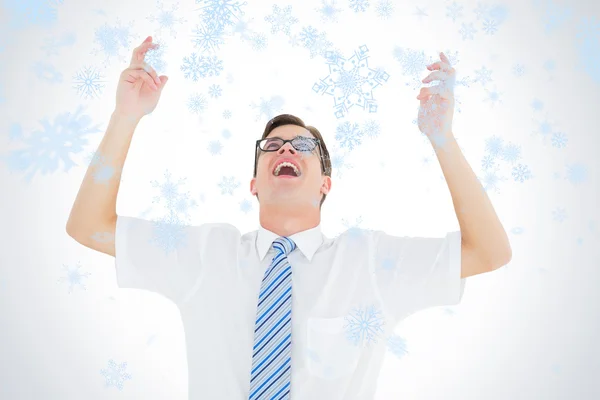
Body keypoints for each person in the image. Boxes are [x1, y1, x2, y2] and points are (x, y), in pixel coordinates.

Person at [66, 36, 512, 400]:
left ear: (325, 184)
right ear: (255, 183)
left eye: (303, 148)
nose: (285, 149)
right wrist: (125, 117)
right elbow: (88, 227)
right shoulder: (205, 254)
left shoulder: (370, 262)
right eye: (272, 146)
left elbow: (488, 252)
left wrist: (443, 139)